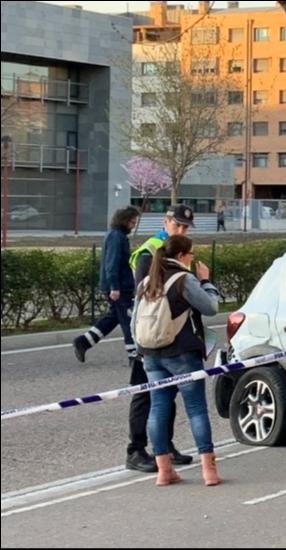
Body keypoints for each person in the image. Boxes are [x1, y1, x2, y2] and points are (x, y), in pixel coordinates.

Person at [132, 235, 221, 487]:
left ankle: (164, 471)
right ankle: (209, 471)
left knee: (158, 407)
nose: (192, 258)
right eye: (191, 254)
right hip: (182, 353)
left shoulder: (147, 281)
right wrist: (206, 281)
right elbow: (210, 307)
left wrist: (140, 351)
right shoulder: (185, 279)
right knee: (196, 409)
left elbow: (135, 318)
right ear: (182, 256)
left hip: (151, 354)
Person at [124, 204, 196, 472]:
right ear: (165, 222)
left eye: (185, 227)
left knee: (167, 393)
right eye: (177, 225)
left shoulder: (181, 250)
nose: (181, 230)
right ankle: (135, 450)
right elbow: (146, 295)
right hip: (149, 333)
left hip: (170, 335)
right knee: (144, 394)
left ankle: (164, 447)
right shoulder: (149, 251)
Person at [73, 206, 141, 364]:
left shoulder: (116, 235)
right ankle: (134, 355)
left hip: (119, 285)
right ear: (124, 220)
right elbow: (112, 263)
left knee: (114, 317)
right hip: (119, 287)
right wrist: (114, 287)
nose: (133, 225)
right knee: (127, 320)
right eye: (132, 222)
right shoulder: (116, 237)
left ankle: (84, 342)